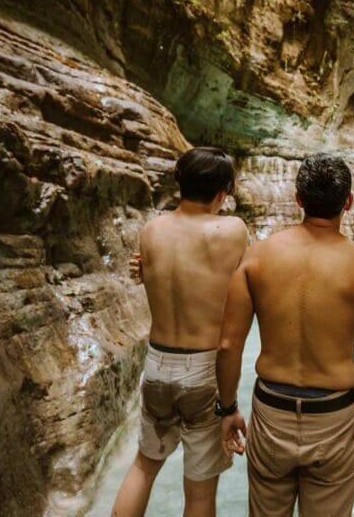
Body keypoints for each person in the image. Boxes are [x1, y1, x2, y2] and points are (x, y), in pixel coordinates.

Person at [215, 153, 354, 516]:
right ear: (348, 201)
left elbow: (228, 345)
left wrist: (228, 408)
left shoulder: (256, 257)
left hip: (271, 413)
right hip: (334, 419)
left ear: (298, 199)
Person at [112, 147, 249, 517]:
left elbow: (169, 280)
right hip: (202, 371)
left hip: (157, 365)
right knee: (200, 493)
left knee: (143, 467)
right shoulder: (232, 230)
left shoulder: (151, 230)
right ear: (221, 192)